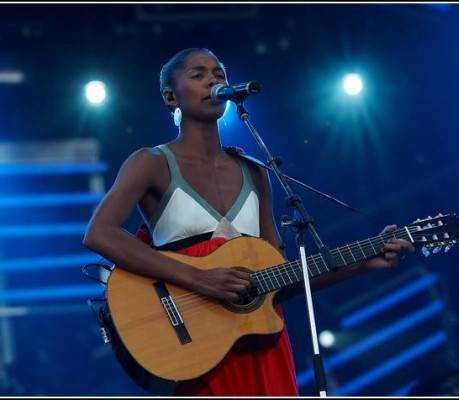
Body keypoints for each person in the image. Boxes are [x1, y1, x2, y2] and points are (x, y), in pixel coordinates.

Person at [82, 47, 415, 396]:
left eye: (220, 74)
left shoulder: (256, 171)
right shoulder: (150, 162)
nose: (214, 79)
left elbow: (281, 278)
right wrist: (199, 278)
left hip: (262, 343)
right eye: (198, 75)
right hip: (198, 344)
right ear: (170, 96)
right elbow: (99, 234)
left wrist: (367, 262)